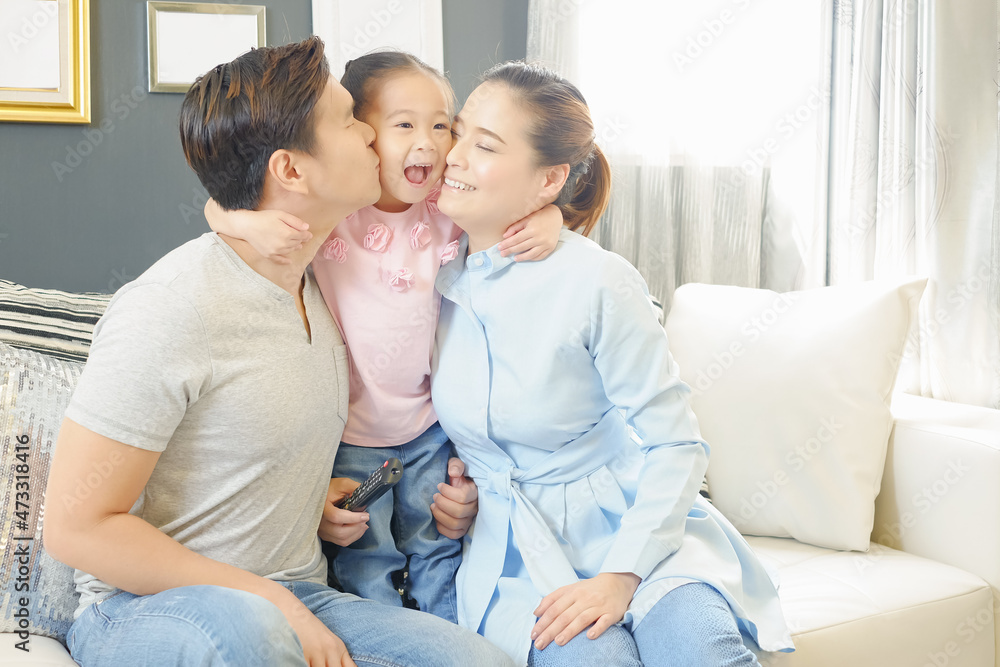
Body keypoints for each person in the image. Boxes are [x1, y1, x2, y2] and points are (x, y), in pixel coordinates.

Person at [43, 37, 514, 667]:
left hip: (301, 594)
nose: (375, 137)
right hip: (148, 609)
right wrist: (268, 600)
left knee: (479, 662)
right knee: (249, 632)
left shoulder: (322, 279)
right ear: (292, 170)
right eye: (351, 121)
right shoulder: (169, 307)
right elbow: (73, 527)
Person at [429, 61, 796, 666]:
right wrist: (461, 504)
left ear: (549, 180)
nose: (455, 155)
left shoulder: (598, 281)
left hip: (640, 535)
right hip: (518, 561)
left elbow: (676, 445)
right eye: (459, 132)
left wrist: (623, 574)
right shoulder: (430, 282)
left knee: (700, 653)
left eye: (484, 145)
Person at [202, 51, 563, 622]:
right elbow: (217, 207)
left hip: (429, 430)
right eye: (403, 125)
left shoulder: (449, 211)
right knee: (366, 558)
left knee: (437, 547)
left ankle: (447, 640)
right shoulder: (340, 215)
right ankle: (385, 647)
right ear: (365, 136)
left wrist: (549, 218)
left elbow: (524, 203)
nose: (427, 142)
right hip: (351, 437)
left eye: (441, 125)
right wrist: (242, 221)